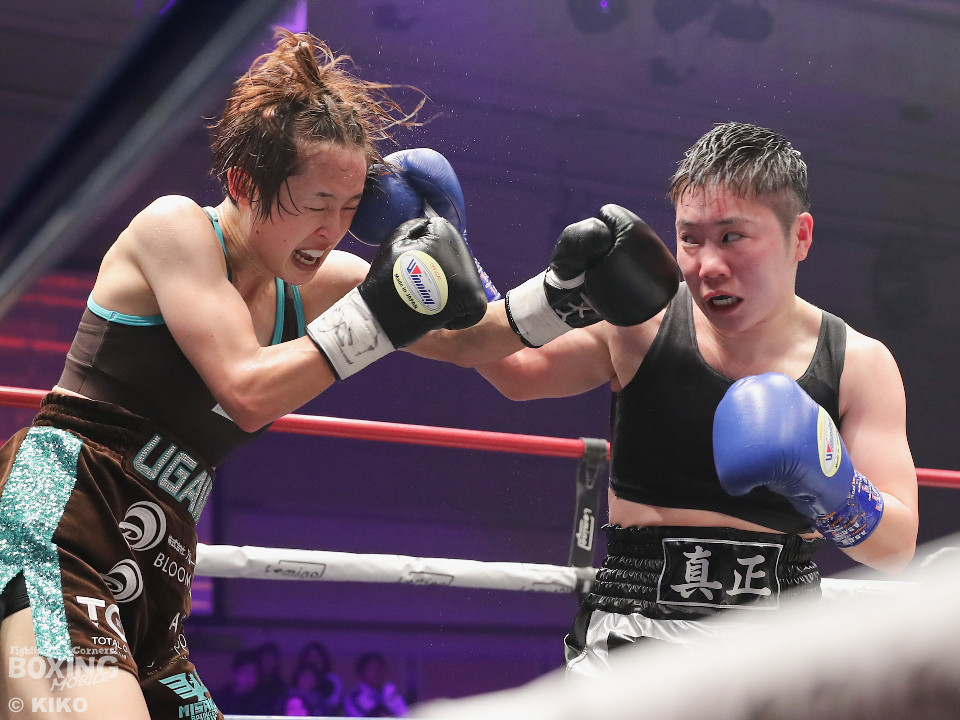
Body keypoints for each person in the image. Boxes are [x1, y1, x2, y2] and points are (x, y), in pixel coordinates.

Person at [0, 29, 488, 719]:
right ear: (243, 185)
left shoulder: (321, 282)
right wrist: (384, 311)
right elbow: (246, 388)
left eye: (350, 208)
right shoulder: (175, 229)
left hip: (155, 574)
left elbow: (498, 351)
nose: (333, 229)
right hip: (58, 525)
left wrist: (565, 295)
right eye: (316, 203)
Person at [409, 121, 918, 673]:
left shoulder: (857, 363)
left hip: (781, 648)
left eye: (732, 237)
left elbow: (896, 548)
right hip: (633, 632)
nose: (708, 265)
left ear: (800, 236)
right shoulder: (640, 322)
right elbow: (518, 371)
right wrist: (450, 262)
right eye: (690, 238)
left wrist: (829, 486)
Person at [343, 652, 409, 718]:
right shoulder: (353, 697)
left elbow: (404, 714)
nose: (376, 672)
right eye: (371, 669)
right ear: (361, 672)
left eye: (379, 668)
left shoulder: (393, 691)